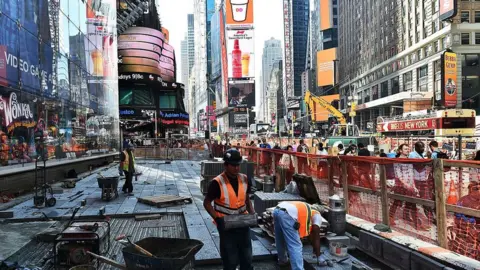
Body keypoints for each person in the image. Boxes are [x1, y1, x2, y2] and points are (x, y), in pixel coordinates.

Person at [203, 149, 255, 270]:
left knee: (247, 259)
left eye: (238, 165)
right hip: (226, 226)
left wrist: (252, 214)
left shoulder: (244, 179)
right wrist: (217, 219)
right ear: (226, 165)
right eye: (233, 165)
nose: (236, 168)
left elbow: (246, 199)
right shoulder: (217, 183)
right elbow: (206, 203)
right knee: (230, 261)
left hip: (243, 224)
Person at [273, 201, 327, 269]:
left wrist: (314, 247)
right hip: (287, 214)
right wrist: (318, 255)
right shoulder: (317, 214)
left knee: (280, 239)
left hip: (277, 210)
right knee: (295, 245)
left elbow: (310, 233)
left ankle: (283, 261)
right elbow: (316, 234)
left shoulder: (306, 206)